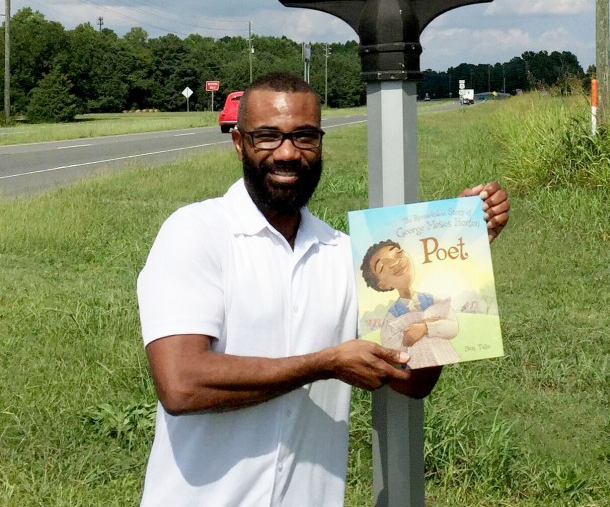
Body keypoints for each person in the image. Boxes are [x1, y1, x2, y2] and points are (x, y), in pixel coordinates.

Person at [137, 71, 510, 507]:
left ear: (320, 142)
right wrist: (323, 364)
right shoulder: (197, 232)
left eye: (304, 137)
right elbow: (181, 385)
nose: (288, 153)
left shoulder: (342, 254)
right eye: (267, 137)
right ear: (239, 143)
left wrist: (453, 248)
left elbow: (412, 379)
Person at [360, 240, 461, 368]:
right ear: (383, 285)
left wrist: (425, 328)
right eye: (382, 267)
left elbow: (453, 327)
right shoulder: (392, 318)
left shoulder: (433, 300)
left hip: (445, 360)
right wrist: (407, 336)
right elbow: (389, 348)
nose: (395, 262)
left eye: (398, 253)